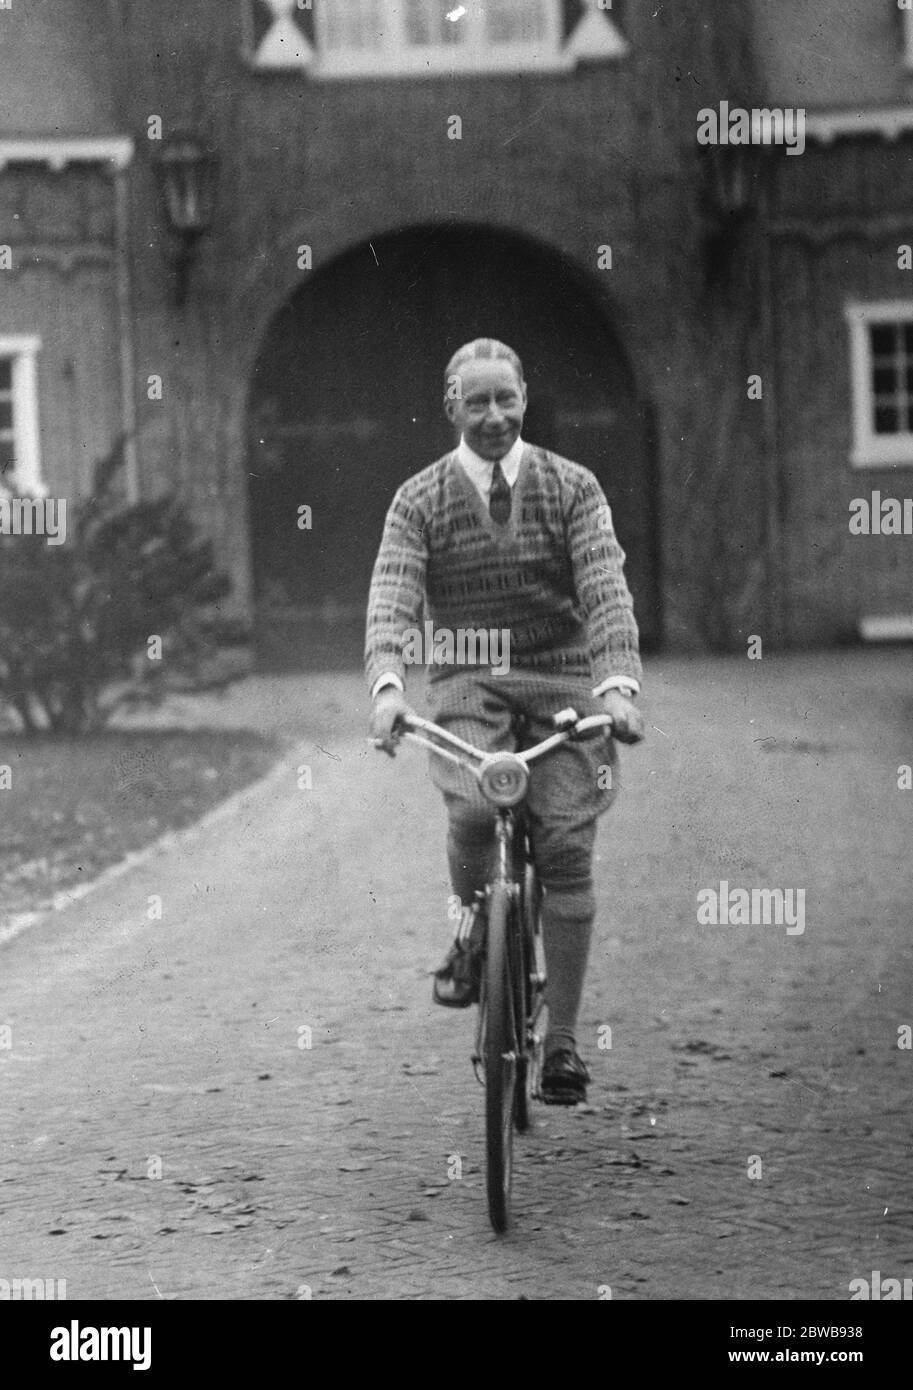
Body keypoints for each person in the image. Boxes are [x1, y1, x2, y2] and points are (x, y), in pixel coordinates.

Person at [366, 338, 644, 1104]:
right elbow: (393, 595)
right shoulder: (417, 499)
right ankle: (468, 931)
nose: (493, 416)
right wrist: (389, 688)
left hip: (561, 679)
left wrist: (616, 685)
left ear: (524, 399)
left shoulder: (572, 488)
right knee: (471, 809)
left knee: (563, 843)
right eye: (476, 401)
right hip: (467, 680)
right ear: (450, 407)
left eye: (506, 399)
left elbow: (603, 586)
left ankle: (559, 1044)